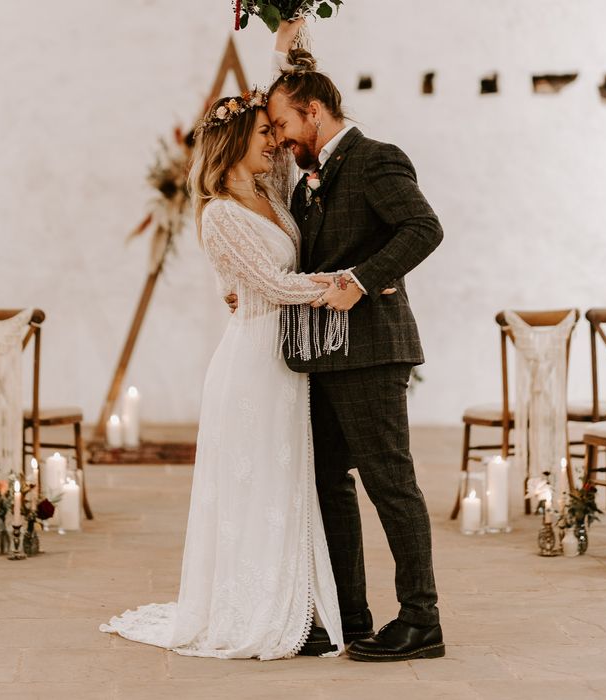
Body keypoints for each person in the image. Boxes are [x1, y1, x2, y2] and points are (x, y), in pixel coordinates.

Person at [100, 82, 358, 659]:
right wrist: (344, 285)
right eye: (264, 133)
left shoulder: (274, 191)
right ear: (236, 140)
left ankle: (299, 602)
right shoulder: (218, 214)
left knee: (288, 482)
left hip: (286, 359)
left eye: (273, 129)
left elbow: (293, 95)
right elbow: (269, 284)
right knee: (258, 484)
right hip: (252, 365)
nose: (276, 140)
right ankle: (255, 609)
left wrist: (291, 40)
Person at [261, 19, 446, 662]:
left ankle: (422, 621)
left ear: (313, 112)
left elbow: (423, 228)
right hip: (321, 355)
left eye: (284, 126)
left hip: (371, 352)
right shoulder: (310, 178)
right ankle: (352, 617)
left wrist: (365, 281)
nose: (280, 141)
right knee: (328, 484)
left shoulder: (375, 159)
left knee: (389, 483)